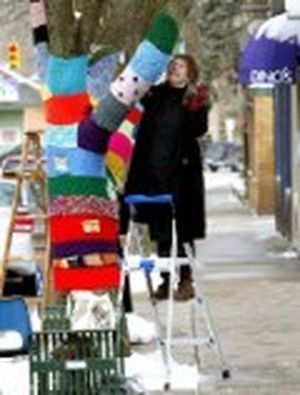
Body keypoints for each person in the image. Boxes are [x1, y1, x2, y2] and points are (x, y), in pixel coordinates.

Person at [121, 54, 209, 301]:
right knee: (160, 228)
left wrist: (196, 106)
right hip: (154, 171)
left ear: (190, 71)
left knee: (183, 227)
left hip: (182, 173)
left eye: (180, 66)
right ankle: (165, 279)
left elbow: (199, 129)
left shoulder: (193, 98)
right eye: (172, 66)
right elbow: (138, 116)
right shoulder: (156, 95)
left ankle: (185, 279)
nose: (174, 69)